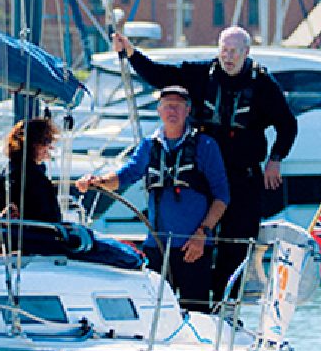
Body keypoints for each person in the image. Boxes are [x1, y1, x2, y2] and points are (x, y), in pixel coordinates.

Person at [112, 24, 297, 304]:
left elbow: (288, 125)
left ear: (246, 52)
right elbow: (160, 76)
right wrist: (131, 53)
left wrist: (276, 158)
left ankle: (225, 307)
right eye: (224, 50)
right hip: (203, 174)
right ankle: (187, 302)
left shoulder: (262, 84)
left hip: (242, 176)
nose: (228, 57)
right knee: (194, 239)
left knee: (235, 245)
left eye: (234, 51)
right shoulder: (201, 74)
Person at [77, 86, 229, 311]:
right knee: (154, 311)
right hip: (157, 247)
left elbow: (222, 196)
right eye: (167, 106)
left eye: (177, 106)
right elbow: (125, 175)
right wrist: (96, 181)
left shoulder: (205, 145)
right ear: (159, 110)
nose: (172, 111)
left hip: (193, 248)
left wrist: (202, 234)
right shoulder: (149, 145)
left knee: (196, 312)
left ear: (187, 110)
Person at [0, 116, 61, 224]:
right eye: (45, 141)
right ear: (31, 144)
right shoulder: (34, 179)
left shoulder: (7, 172)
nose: (49, 147)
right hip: (35, 233)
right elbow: (48, 217)